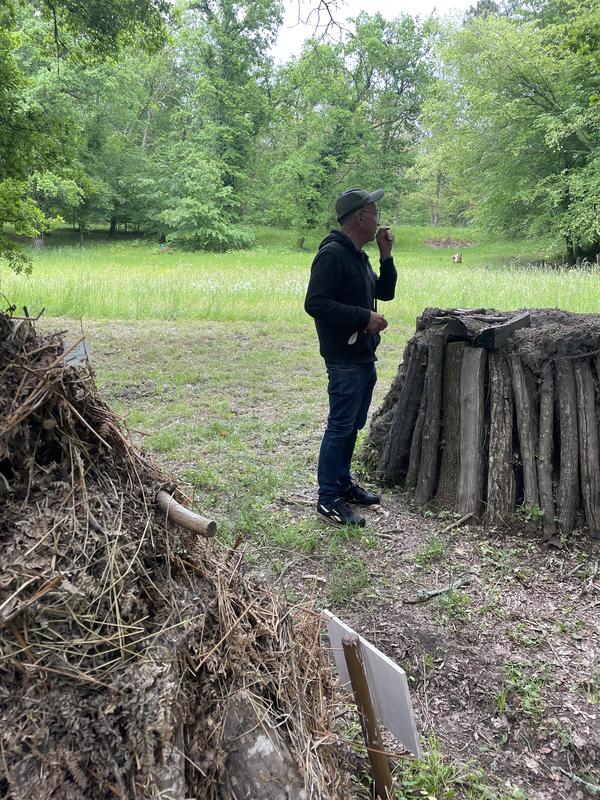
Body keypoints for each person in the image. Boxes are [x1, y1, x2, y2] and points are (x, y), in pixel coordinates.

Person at [304, 188, 397, 527]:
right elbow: (315, 303)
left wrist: (386, 255)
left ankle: (342, 484)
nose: (378, 220)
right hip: (343, 358)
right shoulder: (332, 254)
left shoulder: (358, 256)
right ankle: (328, 499)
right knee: (340, 427)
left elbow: (384, 292)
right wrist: (363, 317)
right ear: (360, 217)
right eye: (374, 213)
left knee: (352, 426)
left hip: (362, 356)